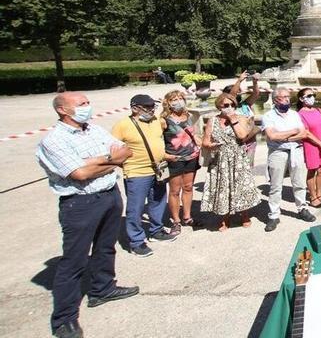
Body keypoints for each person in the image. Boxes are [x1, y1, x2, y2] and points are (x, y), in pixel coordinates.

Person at [36, 92, 138, 338]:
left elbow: (125, 152)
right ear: (63, 110)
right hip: (80, 204)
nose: (87, 107)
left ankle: (102, 289)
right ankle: (64, 319)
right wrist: (110, 159)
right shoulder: (54, 140)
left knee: (105, 248)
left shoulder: (94, 130)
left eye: (87, 103)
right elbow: (79, 174)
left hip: (109, 196)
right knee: (74, 261)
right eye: (81, 104)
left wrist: (98, 161)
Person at [111, 94, 177, 256]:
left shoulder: (156, 121)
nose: (151, 110)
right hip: (137, 172)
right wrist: (126, 165)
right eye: (147, 108)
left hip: (158, 170)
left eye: (152, 107)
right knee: (136, 207)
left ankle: (156, 230)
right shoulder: (122, 125)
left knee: (158, 200)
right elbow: (112, 150)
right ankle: (137, 241)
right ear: (135, 108)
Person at [202, 93, 261, 231]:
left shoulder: (240, 118)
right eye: (226, 105)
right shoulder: (212, 121)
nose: (229, 108)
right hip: (220, 159)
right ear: (219, 106)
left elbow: (242, 135)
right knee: (223, 188)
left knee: (241, 186)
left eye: (232, 105)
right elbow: (205, 141)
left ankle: (245, 215)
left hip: (237, 158)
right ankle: (225, 217)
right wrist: (211, 145)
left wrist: (233, 119)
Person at [262, 88, 317, 232]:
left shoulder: (294, 114)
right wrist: (293, 132)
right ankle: (274, 215)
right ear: (275, 100)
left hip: (296, 150)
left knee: (299, 182)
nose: (287, 99)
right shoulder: (268, 116)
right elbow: (272, 136)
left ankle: (302, 208)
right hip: (277, 152)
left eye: (288, 96)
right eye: (283, 97)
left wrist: (284, 136)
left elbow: (303, 133)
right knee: (275, 185)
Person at [160, 90, 201, 236]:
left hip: (191, 156)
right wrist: (164, 155)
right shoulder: (164, 120)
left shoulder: (189, 115)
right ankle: (176, 221)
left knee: (188, 187)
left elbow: (194, 134)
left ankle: (187, 217)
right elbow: (158, 140)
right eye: (174, 99)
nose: (178, 101)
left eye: (180, 98)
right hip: (174, 159)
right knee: (175, 191)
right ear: (168, 103)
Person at [296, 88, 321, 208]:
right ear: (302, 99)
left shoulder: (318, 110)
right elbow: (306, 132)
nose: (312, 97)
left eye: (313, 95)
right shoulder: (300, 114)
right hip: (311, 145)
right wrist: (320, 143)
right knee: (312, 170)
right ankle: (312, 197)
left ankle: (319, 194)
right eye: (309, 95)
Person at [222, 72, 261, 165]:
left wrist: (255, 82)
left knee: (248, 167)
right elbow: (232, 96)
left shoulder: (245, 104)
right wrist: (239, 80)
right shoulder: (228, 108)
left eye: (239, 91)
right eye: (237, 91)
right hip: (236, 142)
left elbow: (256, 94)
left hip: (250, 141)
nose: (239, 93)